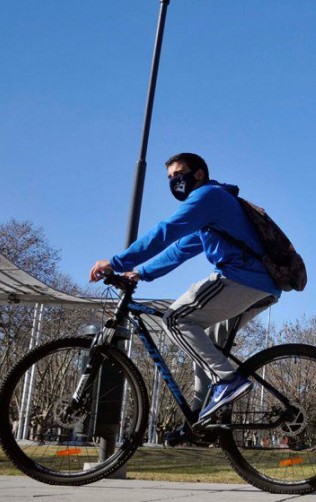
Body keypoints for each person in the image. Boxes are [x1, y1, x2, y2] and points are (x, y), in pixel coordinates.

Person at [90, 152, 281, 446]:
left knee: (177, 318)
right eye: (169, 178)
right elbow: (180, 248)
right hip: (261, 286)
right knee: (208, 343)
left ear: (200, 173)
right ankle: (200, 418)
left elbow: (165, 232)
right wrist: (139, 272)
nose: (174, 181)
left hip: (243, 278)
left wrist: (115, 262)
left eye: (179, 174)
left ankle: (228, 381)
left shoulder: (208, 196)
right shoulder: (212, 212)